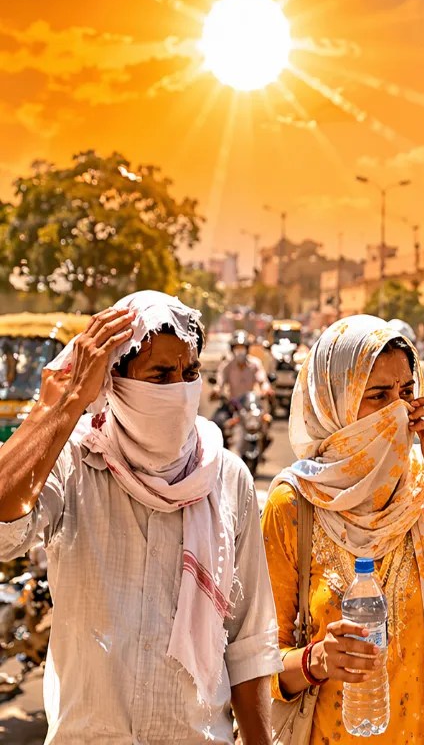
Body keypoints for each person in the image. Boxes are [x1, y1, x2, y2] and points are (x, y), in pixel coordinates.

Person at [0, 291, 281, 744]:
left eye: (189, 373)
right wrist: (66, 404)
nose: (179, 390)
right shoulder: (75, 465)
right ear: (115, 381)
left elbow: (248, 647)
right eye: (160, 375)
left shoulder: (226, 478)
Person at [261, 314, 424, 744]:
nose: (397, 413)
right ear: (333, 405)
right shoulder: (295, 505)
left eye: (406, 393)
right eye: (377, 396)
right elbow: (258, 664)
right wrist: (317, 660)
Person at [213, 330, 273, 437]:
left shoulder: (255, 364)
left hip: (251, 406)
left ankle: (263, 441)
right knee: (216, 423)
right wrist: (216, 390)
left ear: (247, 349)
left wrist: (266, 389)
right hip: (233, 405)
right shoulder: (227, 365)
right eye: (237, 348)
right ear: (232, 349)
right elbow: (220, 382)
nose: (240, 351)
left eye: (242, 348)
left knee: (266, 420)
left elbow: (263, 381)